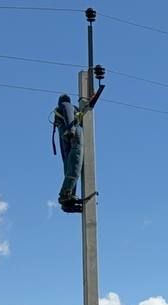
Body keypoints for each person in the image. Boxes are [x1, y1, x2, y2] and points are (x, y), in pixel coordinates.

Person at [51, 72, 104, 213]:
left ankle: (70, 196)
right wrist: (71, 127)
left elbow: (64, 153)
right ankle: (66, 193)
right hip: (73, 133)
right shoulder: (66, 105)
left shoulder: (58, 118)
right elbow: (68, 109)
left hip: (65, 138)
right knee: (76, 161)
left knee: (69, 165)